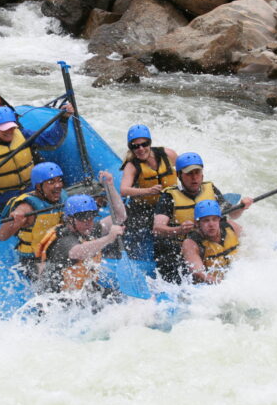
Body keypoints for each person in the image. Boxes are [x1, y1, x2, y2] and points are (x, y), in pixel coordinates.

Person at [152, 152, 252, 283]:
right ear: (179, 175)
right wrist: (179, 230)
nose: (194, 178)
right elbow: (157, 229)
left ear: (202, 174)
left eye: (197, 172)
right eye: (189, 173)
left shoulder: (210, 189)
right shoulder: (169, 197)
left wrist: (241, 207)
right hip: (181, 245)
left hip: (209, 239)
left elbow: (231, 214)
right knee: (174, 269)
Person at [0, 105, 73, 213]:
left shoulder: (23, 135)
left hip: (32, 190)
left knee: (61, 199)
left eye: (11, 127)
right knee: (28, 210)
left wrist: (63, 119)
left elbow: (52, 140)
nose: (9, 131)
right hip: (6, 199)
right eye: (4, 129)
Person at [36, 172, 126, 294]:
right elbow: (77, 252)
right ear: (70, 219)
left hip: (82, 290)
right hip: (59, 297)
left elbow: (120, 217)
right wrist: (109, 238)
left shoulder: (89, 228)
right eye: (82, 218)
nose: (88, 222)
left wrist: (110, 186)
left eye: (91, 216)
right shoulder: (63, 239)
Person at [0, 162, 69, 281]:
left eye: (59, 180)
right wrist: (15, 220)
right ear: (38, 187)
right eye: (51, 182)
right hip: (33, 259)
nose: (58, 185)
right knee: (53, 278)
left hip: (55, 251)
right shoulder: (27, 208)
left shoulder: (62, 196)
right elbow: (2, 236)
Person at [119, 124, 177, 260]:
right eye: (135, 146)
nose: (141, 149)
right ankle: (133, 257)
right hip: (143, 208)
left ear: (150, 143)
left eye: (144, 144)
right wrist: (148, 191)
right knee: (134, 231)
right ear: (131, 148)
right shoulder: (132, 165)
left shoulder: (168, 154)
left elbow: (184, 171)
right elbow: (124, 190)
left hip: (169, 203)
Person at [181, 200, 239, 285]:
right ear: (197, 223)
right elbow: (199, 273)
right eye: (206, 220)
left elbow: (249, 244)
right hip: (207, 286)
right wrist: (225, 284)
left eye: (214, 219)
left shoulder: (231, 227)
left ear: (219, 219)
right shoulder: (191, 243)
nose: (211, 224)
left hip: (231, 277)